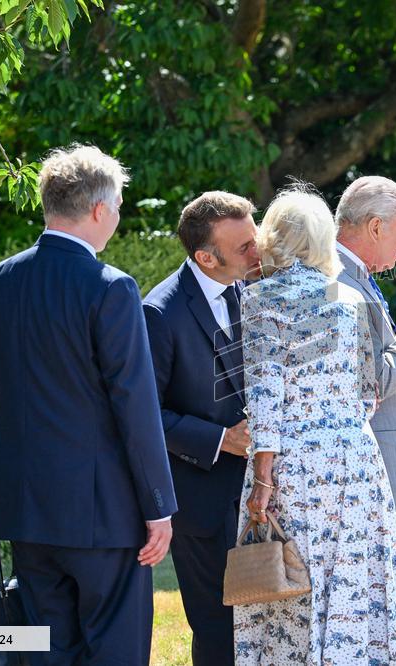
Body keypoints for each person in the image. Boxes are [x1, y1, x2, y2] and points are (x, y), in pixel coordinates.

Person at [0, 144, 177, 665]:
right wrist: (159, 506)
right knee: (117, 652)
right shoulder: (110, 288)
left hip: (25, 508)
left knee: (46, 652)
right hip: (104, 516)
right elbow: (135, 406)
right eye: (119, 207)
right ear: (98, 210)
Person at [234, 187, 396, 665]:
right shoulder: (349, 295)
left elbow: (266, 395)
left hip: (296, 467)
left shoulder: (260, 299)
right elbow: (368, 392)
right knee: (354, 586)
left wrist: (262, 480)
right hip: (355, 462)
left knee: (293, 585)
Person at [142, 191, 260, 666]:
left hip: (262, 492)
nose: (259, 253)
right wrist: (220, 439)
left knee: (268, 621)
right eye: (245, 248)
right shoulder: (158, 313)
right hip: (202, 499)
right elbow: (145, 414)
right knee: (217, 628)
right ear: (205, 257)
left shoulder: (252, 289)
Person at [333, 176, 396, 596]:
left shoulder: (351, 275)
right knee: (386, 604)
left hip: (380, 468)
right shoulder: (342, 281)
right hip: (378, 471)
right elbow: (371, 380)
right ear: (375, 227)